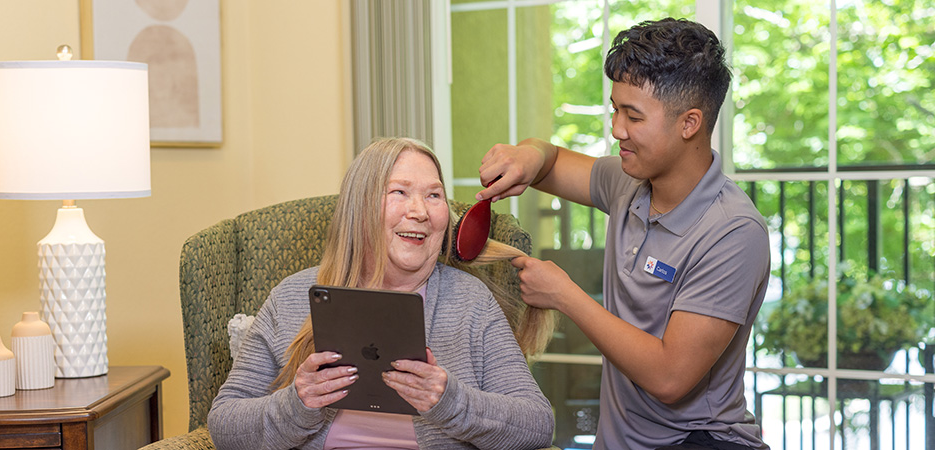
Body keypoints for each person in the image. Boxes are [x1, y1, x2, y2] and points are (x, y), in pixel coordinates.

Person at [476, 18, 770, 450]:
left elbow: (670, 378)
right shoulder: (628, 181)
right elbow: (552, 161)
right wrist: (527, 154)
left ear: (690, 123)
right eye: (615, 109)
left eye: (633, 116)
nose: (617, 130)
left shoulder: (733, 233)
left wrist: (565, 296)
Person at [208, 137, 555, 450]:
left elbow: (537, 424)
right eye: (399, 192)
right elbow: (224, 424)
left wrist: (450, 401)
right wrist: (297, 404)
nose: (419, 212)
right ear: (359, 209)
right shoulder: (292, 297)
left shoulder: (469, 302)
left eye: (433, 195)